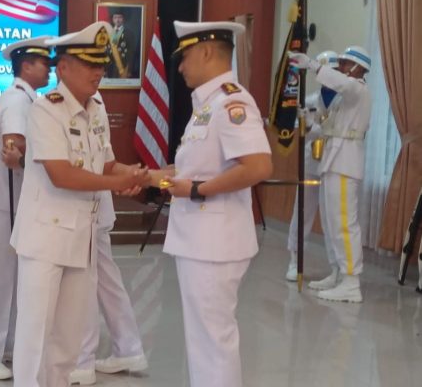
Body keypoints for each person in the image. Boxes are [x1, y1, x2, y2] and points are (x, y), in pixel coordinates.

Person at [9, 21, 149, 387]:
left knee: (69, 339)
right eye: (89, 63)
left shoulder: (97, 108)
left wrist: (139, 175)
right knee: (36, 334)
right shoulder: (45, 110)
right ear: (63, 67)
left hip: (81, 238)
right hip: (45, 239)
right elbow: (61, 174)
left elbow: (106, 164)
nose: (98, 71)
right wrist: (116, 183)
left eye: (101, 63)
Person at [151, 20, 272, 387]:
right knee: (203, 341)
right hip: (201, 239)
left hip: (215, 243)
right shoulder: (208, 104)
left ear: (205, 52)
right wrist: (151, 177)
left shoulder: (231, 102)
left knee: (213, 342)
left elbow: (258, 166)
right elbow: (198, 167)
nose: (181, 68)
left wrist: (197, 189)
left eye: (185, 57)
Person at [0, 36, 53, 380]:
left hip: (11, 199)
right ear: (26, 66)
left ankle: (5, 346)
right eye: (43, 63)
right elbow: (14, 147)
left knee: (13, 279)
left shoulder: (28, 98)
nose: (49, 68)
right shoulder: (17, 100)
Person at [289, 46, 371, 303]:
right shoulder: (344, 98)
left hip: (345, 163)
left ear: (359, 67)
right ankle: (338, 272)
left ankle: (351, 282)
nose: (342, 67)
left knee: (344, 223)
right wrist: (309, 121)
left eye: (345, 63)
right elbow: (327, 127)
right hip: (333, 161)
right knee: (332, 223)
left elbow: (342, 83)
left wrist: (312, 65)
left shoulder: (357, 89)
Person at [69, 190, 148, 386]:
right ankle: (128, 348)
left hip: (84, 208)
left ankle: (82, 360)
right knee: (107, 282)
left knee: (83, 283)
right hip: (92, 208)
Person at [285, 50, 340, 281]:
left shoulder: (344, 101)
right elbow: (303, 135)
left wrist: (314, 128)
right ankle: (294, 259)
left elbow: (337, 131)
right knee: (302, 212)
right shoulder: (309, 100)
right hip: (311, 162)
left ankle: (336, 266)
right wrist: (305, 126)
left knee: (331, 217)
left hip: (334, 163)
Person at [105, 8, 138, 79]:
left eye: (120, 17)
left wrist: (129, 70)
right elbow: (106, 50)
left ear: (123, 19)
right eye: (115, 17)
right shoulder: (109, 32)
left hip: (123, 66)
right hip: (110, 67)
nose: (117, 20)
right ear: (112, 19)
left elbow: (131, 53)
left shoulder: (129, 33)